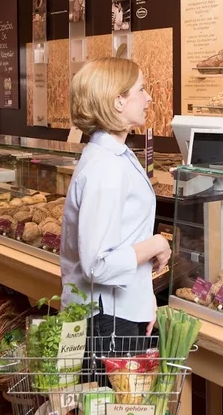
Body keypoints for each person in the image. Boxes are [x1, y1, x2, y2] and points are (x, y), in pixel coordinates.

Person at [61, 57, 171, 339]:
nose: (149, 98)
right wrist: (157, 243)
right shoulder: (106, 167)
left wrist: (144, 300)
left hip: (121, 310)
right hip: (106, 321)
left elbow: (124, 238)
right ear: (118, 102)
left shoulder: (114, 153)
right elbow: (98, 265)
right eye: (141, 89)